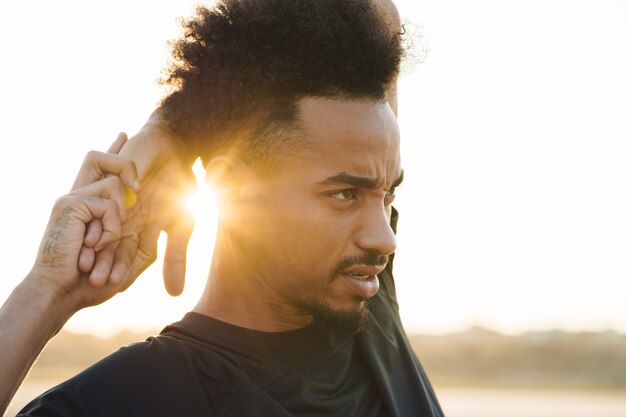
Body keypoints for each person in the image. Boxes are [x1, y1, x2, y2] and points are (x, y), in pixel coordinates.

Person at [0, 0, 444, 415]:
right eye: (345, 195)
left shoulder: (366, 310)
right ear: (231, 184)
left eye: (387, 196)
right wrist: (45, 293)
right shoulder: (132, 396)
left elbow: (376, 14)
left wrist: (172, 125)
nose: (384, 238)